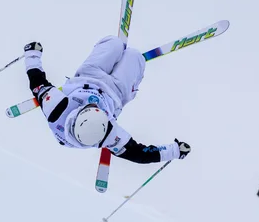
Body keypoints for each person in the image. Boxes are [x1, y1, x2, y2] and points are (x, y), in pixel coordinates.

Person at [23, 36, 191, 164]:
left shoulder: (56, 108)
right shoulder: (109, 135)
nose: (94, 103)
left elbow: (37, 82)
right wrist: (174, 151)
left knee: (114, 43)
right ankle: (128, 60)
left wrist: (32, 54)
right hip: (116, 93)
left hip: (88, 76)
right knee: (134, 56)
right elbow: (140, 154)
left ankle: (118, 52)